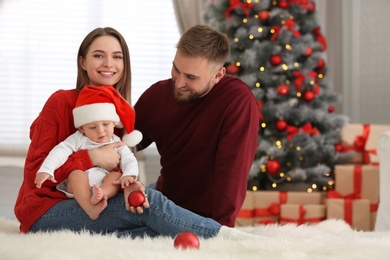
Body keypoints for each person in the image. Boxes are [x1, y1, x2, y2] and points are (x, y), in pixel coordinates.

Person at [14, 26, 259, 240]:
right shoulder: (61, 102)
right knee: (152, 205)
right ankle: (227, 240)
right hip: (49, 208)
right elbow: (38, 172)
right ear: (82, 62)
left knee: (154, 226)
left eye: (117, 57)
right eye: (99, 55)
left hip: (96, 204)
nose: (108, 64)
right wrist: (93, 158)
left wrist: (129, 184)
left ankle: (215, 235)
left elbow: (121, 161)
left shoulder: (117, 113)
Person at [134, 24, 259, 227]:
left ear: (218, 75)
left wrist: (219, 230)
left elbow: (232, 173)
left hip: (201, 217)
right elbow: (122, 142)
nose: (179, 82)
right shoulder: (157, 95)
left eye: (191, 77)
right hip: (162, 200)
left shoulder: (237, 100)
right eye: (176, 69)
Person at [34, 85, 143, 220]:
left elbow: (129, 159)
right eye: (92, 127)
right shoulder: (78, 139)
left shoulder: (117, 142)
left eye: (106, 124)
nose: (101, 131)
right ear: (82, 128)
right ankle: (89, 207)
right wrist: (47, 169)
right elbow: (60, 151)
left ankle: (102, 193)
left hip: (103, 182)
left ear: (114, 123)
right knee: (76, 174)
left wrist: (129, 175)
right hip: (79, 187)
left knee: (115, 176)